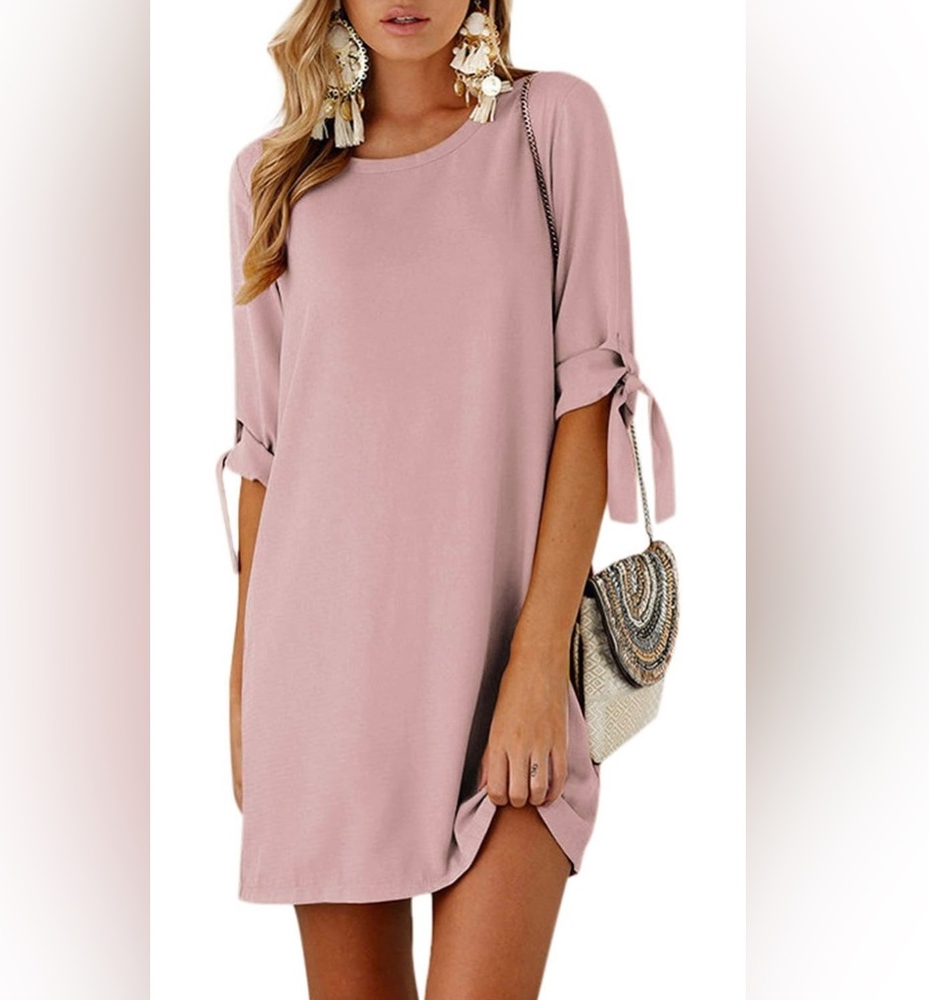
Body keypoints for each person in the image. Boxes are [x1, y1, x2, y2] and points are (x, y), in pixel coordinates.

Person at [213, 1, 675, 996]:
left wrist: (536, 663)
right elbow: (267, 454)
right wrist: (245, 684)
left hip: (511, 662)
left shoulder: (552, 126)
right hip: (326, 682)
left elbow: (587, 401)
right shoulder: (270, 179)